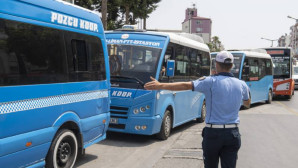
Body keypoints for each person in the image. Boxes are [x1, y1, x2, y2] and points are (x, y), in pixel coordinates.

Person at [144, 51, 251, 168]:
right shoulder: (242, 84)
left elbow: (186, 85)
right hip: (232, 134)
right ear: (231, 66)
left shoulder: (210, 81)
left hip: (214, 134)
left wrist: (160, 85)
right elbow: (247, 103)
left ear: (216, 64)